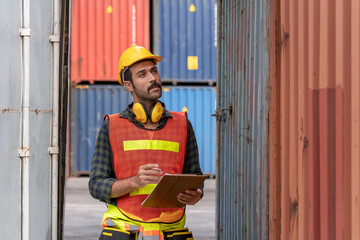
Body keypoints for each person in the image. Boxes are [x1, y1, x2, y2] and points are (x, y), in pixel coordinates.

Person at [89, 45, 204, 240]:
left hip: (171, 232)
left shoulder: (183, 124)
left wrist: (197, 195)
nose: (152, 78)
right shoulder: (112, 126)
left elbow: (195, 176)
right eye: (142, 74)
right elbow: (96, 185)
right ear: (128, 85)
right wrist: (134, 182)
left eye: (154, 71)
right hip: (125, 231)